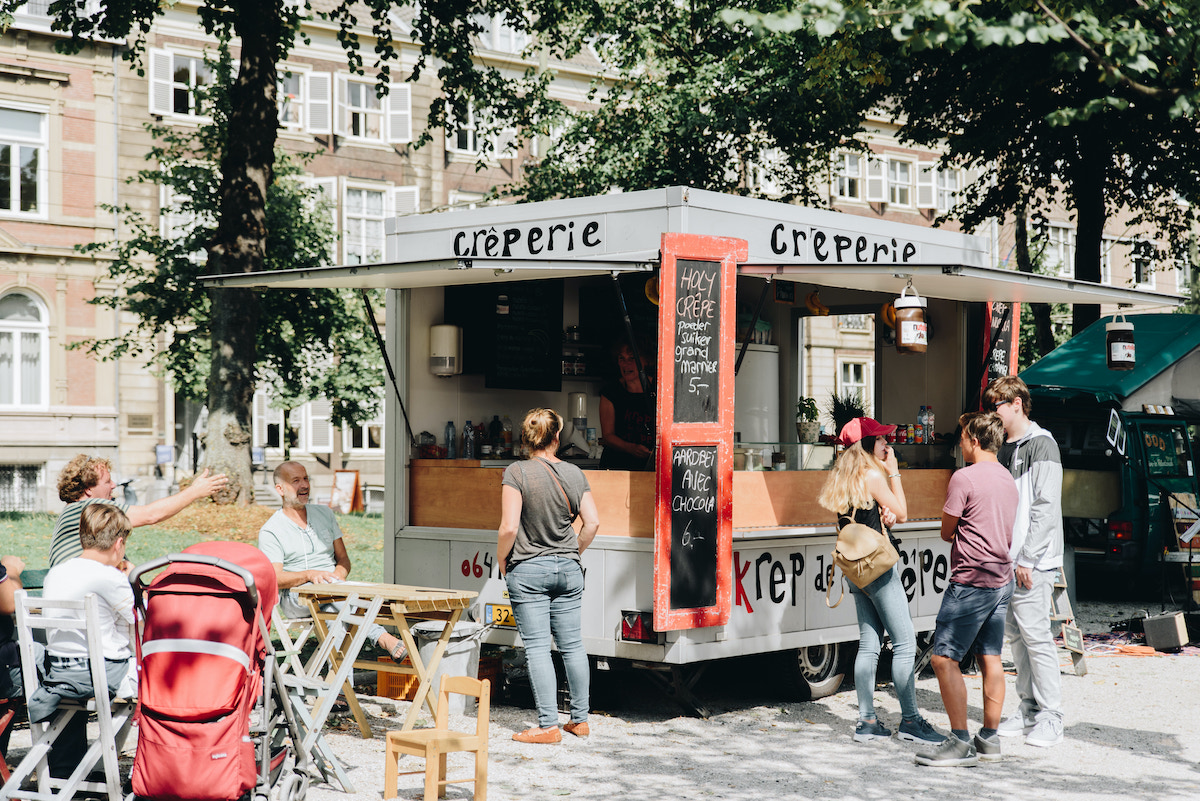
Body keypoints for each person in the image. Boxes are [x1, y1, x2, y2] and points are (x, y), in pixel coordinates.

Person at [817, 417, 943, 746]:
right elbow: (902, 512)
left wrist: (882, 513)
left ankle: (867, 722)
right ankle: (912, 721)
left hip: (855, 569)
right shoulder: (873, 474)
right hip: (878, 569)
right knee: (903, 644)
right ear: (867, 445)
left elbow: (870, 515)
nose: (888, 446)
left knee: (869, 644)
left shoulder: (843, 478)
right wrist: (894, 472)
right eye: (881, 441)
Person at [915, 412, 1017, 768]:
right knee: (990, 656)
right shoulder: (1007, 478)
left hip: (970, 580)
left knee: (944, 658)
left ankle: (959, 741)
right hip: (1001, 578)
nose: (959, 442)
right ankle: (989, 738)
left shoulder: (964, 477)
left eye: (962, 437)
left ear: (975, 440)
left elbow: (947, 531)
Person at [497, 408, 600, 743]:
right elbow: (593, 523)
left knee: (539, 648)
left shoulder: (516, 472)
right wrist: (573, 553)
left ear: (526, 439)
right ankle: (580, 721)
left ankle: (547, 727)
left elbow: (510, 526)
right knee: (572, 645)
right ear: (557, 437)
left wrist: (502, 560)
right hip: (568, 569)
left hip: (529, 570)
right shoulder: (574, 472)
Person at [984, 375, 1065, 748]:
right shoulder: (1004, 447)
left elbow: (1046, 507)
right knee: (1017, 639)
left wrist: (1029, 558)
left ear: (1017, 402)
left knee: (1037, 638)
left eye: (997, 406)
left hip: (1033, 561)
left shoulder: (1042, 444)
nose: (993, 413)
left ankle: (1052, 716)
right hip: (1009, 559)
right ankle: (1030, 709)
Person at [257, 461, 406, 661]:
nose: (304, 485)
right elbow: (274, 579)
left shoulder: (324, 513)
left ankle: (341, 689)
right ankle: (380, 636)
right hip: (295, 597)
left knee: (333, 614)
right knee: (336, 602)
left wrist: (336, 579)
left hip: (333, 592)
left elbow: (343, 560)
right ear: (280, 489)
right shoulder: (271, 529)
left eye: (306, 478)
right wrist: (309, 575)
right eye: (296, 481)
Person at [32, 504, 138, 779]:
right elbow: (138, 620)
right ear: (119, 543)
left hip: (59, 671)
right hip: (98, 673)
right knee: (147, 684)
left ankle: (69, 770)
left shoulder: (57, 572)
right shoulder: (110, 577)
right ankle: (102, 768)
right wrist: (130, 582)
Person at [49, 454, 229, 567]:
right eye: (107, 482)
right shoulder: (87, 509)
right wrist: (194, 492)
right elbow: (151, 515)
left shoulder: (73, 511)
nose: (113, 485)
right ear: (88, 489)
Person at [598, 342, 655, 470]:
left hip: (651, 467)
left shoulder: (659, 388)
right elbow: (607, 436)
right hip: (617, 466)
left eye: (632, 358)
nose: (625, 364)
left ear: (646, 360)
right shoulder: (611, 392)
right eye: (621, 358)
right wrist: (630, 448)